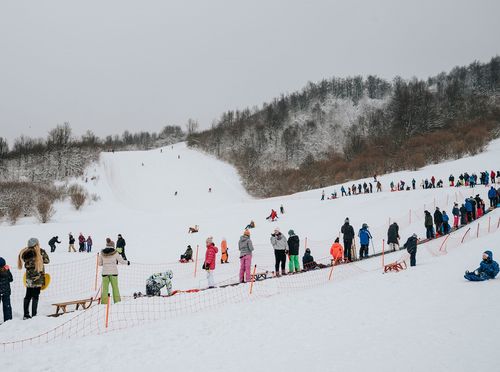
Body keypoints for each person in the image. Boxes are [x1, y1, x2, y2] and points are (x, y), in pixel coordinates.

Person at [17, 238, 50, 319]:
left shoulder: (25, 252)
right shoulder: (40, 252)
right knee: (35, 296)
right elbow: (47, 261)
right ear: (36, 244)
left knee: (28, 295)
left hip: (29, 278)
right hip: (38, 277)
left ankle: (26, 314)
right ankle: (34, 315)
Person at [99, 238, 130, 304]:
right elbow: (121, 261)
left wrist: (105, 263)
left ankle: (104, 303)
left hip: (105, 273)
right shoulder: (115, 253)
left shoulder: (102, 253)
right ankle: (117, 301)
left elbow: (99, 263)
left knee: (105, 289)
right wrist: (127, 262)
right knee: (115, 287)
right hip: (114, 273)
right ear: (113, 245)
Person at [0, 257, 13, 322]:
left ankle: (8, 320)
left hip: (5, 291)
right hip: (6, 291)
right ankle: (8, 320)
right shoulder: (6, 270)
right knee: (7, 306)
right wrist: (7, 271)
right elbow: (11, 279)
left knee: (7, 306)